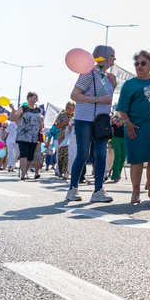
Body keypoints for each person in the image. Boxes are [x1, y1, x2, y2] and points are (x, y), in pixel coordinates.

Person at [116, 50, 150, 204]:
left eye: (143, 63)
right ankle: (135, 191)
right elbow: (122, 108)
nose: (139, 66)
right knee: (137, 160)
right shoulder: (129, 84)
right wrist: (128, 124)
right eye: (136, 63)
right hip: (135, 127)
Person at [65, 45, 117, 203]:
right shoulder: (88, 73)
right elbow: (74, 95)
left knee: (101, 154)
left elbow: (106, 97)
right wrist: (98, 99)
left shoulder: (107, 76)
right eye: (112, 55)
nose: (115, 59)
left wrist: (113, 85)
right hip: (84, 119)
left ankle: (98, 190)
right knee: (83, 153)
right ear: (103, 56)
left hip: (101, 120)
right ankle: (73, 189)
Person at [9, 92, 43, 180]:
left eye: (35, 98)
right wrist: (13, 110)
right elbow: (13, 119)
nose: (33, 99)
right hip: (23, 134)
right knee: (24, 154)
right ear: (28, 99)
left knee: (31, 156)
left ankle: (26, 171)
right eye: (31, 98)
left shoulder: (39, 110)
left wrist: (41, 132)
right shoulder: (22, 108)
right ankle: (23, 174)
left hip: (34, 136)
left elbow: (40, 122)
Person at [54, 102, 75, 179]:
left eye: (72, 109)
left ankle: (67, 172)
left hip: (72, 137)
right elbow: (57, 126)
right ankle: (59, 170)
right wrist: (67, 121)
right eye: (69, 109)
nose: (71, 111)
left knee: (69, 154)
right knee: (61, 154)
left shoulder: (75, 115)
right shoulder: (61, 115)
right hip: (62, 136)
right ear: (66, 108)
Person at [109, 112, 126, 182]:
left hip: (125, 138)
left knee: (123, 156)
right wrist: (125, 120)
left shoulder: (126, 116)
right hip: (116, 138)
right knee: (118, 155)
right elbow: (118, 125)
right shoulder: (115, 118)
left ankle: (118, 172)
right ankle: (115, 175)